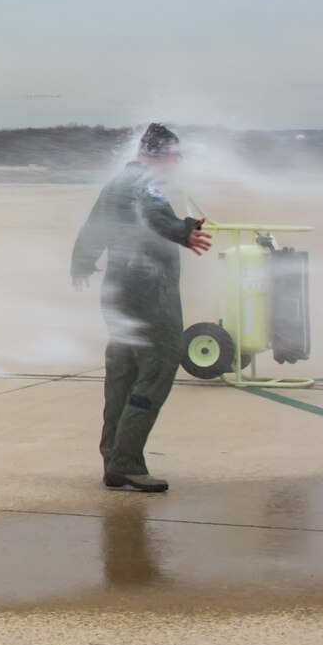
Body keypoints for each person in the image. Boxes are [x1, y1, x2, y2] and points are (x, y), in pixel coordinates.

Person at [70, 123, 211, 492]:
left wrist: (82, 263)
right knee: (161, 362)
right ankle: (127, 460)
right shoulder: (146, 183)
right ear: (161, 154)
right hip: (147, 291)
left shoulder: (118, 181)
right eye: (175, 156)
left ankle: (113, 460)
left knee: (123, 371)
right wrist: (183, 231)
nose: (177, 163)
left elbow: (94, 226)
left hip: (118, 290)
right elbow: (153, 212)